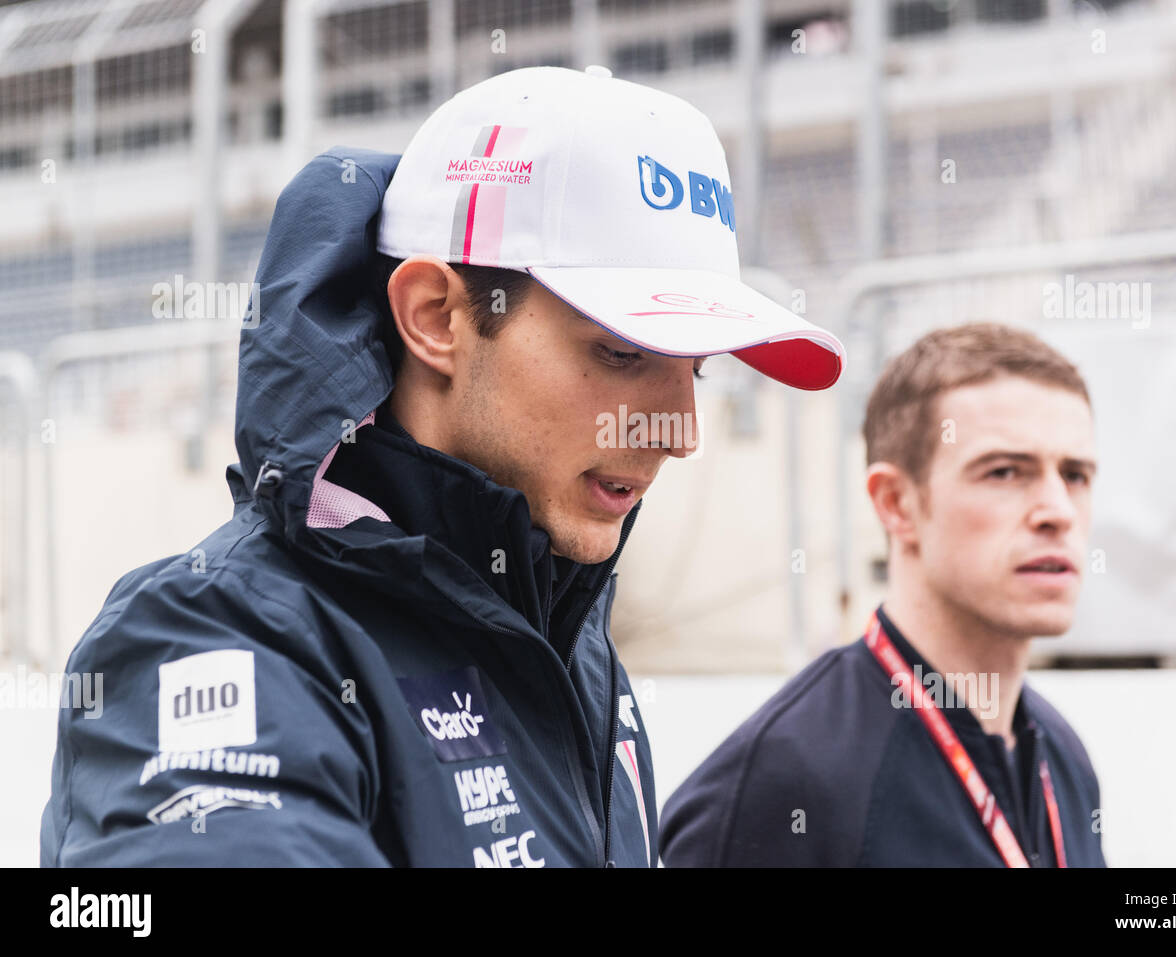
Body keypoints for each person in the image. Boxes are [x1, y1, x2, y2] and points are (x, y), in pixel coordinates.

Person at [39, 65, 844, 867]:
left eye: (696, 369)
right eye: (623, 351)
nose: (680, 431)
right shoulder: (215, 640)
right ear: (435, 317)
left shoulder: (572, 645)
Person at [659, 322, 1106, 867]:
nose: (1058, 511)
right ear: (896, 503)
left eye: (1076, 474)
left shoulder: (1062, 757)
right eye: (1006, 471)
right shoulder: (785, 782)